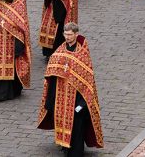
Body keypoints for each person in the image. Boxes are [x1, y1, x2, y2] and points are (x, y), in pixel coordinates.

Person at [37, 23, 104, 156]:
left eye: (69, 35)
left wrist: (81, 104)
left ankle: (76, 151)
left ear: (76, 34)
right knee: (62, 122)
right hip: (62, 95)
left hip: (77, 98)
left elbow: (87, 80)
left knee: (77, 127)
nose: (67, 37)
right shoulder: (59, 51)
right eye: (65, 34)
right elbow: (52, 71)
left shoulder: (82, 53)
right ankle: (65, 145)